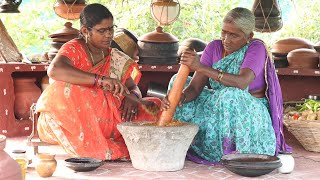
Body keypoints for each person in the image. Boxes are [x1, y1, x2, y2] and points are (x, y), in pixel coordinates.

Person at [161, 7, 292, 164]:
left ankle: (233, 152)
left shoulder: (256, 48)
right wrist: (179, 98)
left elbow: (242, 82)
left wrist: (201, 67)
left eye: (234, 35)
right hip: (219, 103)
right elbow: (195, 88)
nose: (226, 39)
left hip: (247, 107)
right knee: (178, 80)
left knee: (231, 94)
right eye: (224, 32)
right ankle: (193, 143)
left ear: (248, 36)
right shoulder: (214, 47)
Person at [36, 3, 160, 160]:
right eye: (102, 31)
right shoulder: (74, 48)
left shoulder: (114, 55)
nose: (109, 35)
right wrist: (100, 81)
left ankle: (114, 137)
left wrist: (134, 99)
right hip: (76, 121)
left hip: (113, 120)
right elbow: (55, 70)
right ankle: (102, 146)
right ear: (85, 31)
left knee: (156, 104)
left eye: (111, 29)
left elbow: (132, 86)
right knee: (65, 90)